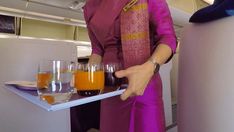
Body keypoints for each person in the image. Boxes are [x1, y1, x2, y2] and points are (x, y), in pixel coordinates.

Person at [83, 0, 177, 131]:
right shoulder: (90, 6)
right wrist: (86, 78)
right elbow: (97, 50)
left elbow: (168, 38)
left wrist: (150, 67)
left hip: (144, 83)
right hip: (109, 89)